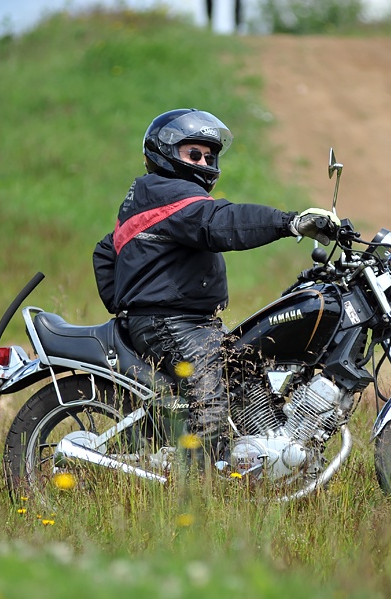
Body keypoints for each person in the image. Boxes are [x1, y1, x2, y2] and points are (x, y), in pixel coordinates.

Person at [92, 108, 338, 467]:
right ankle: (198, 492)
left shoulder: (153, 198)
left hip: (187, 321)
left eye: (210, 155)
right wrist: (290, 223)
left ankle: (264, 460)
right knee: (211, 404)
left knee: (248, 372)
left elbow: (105, 250)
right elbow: (220, 223)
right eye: (194, 154)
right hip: (171, 323)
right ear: (165, 154)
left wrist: (124, 304)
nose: (205, 161)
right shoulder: (169, 195)